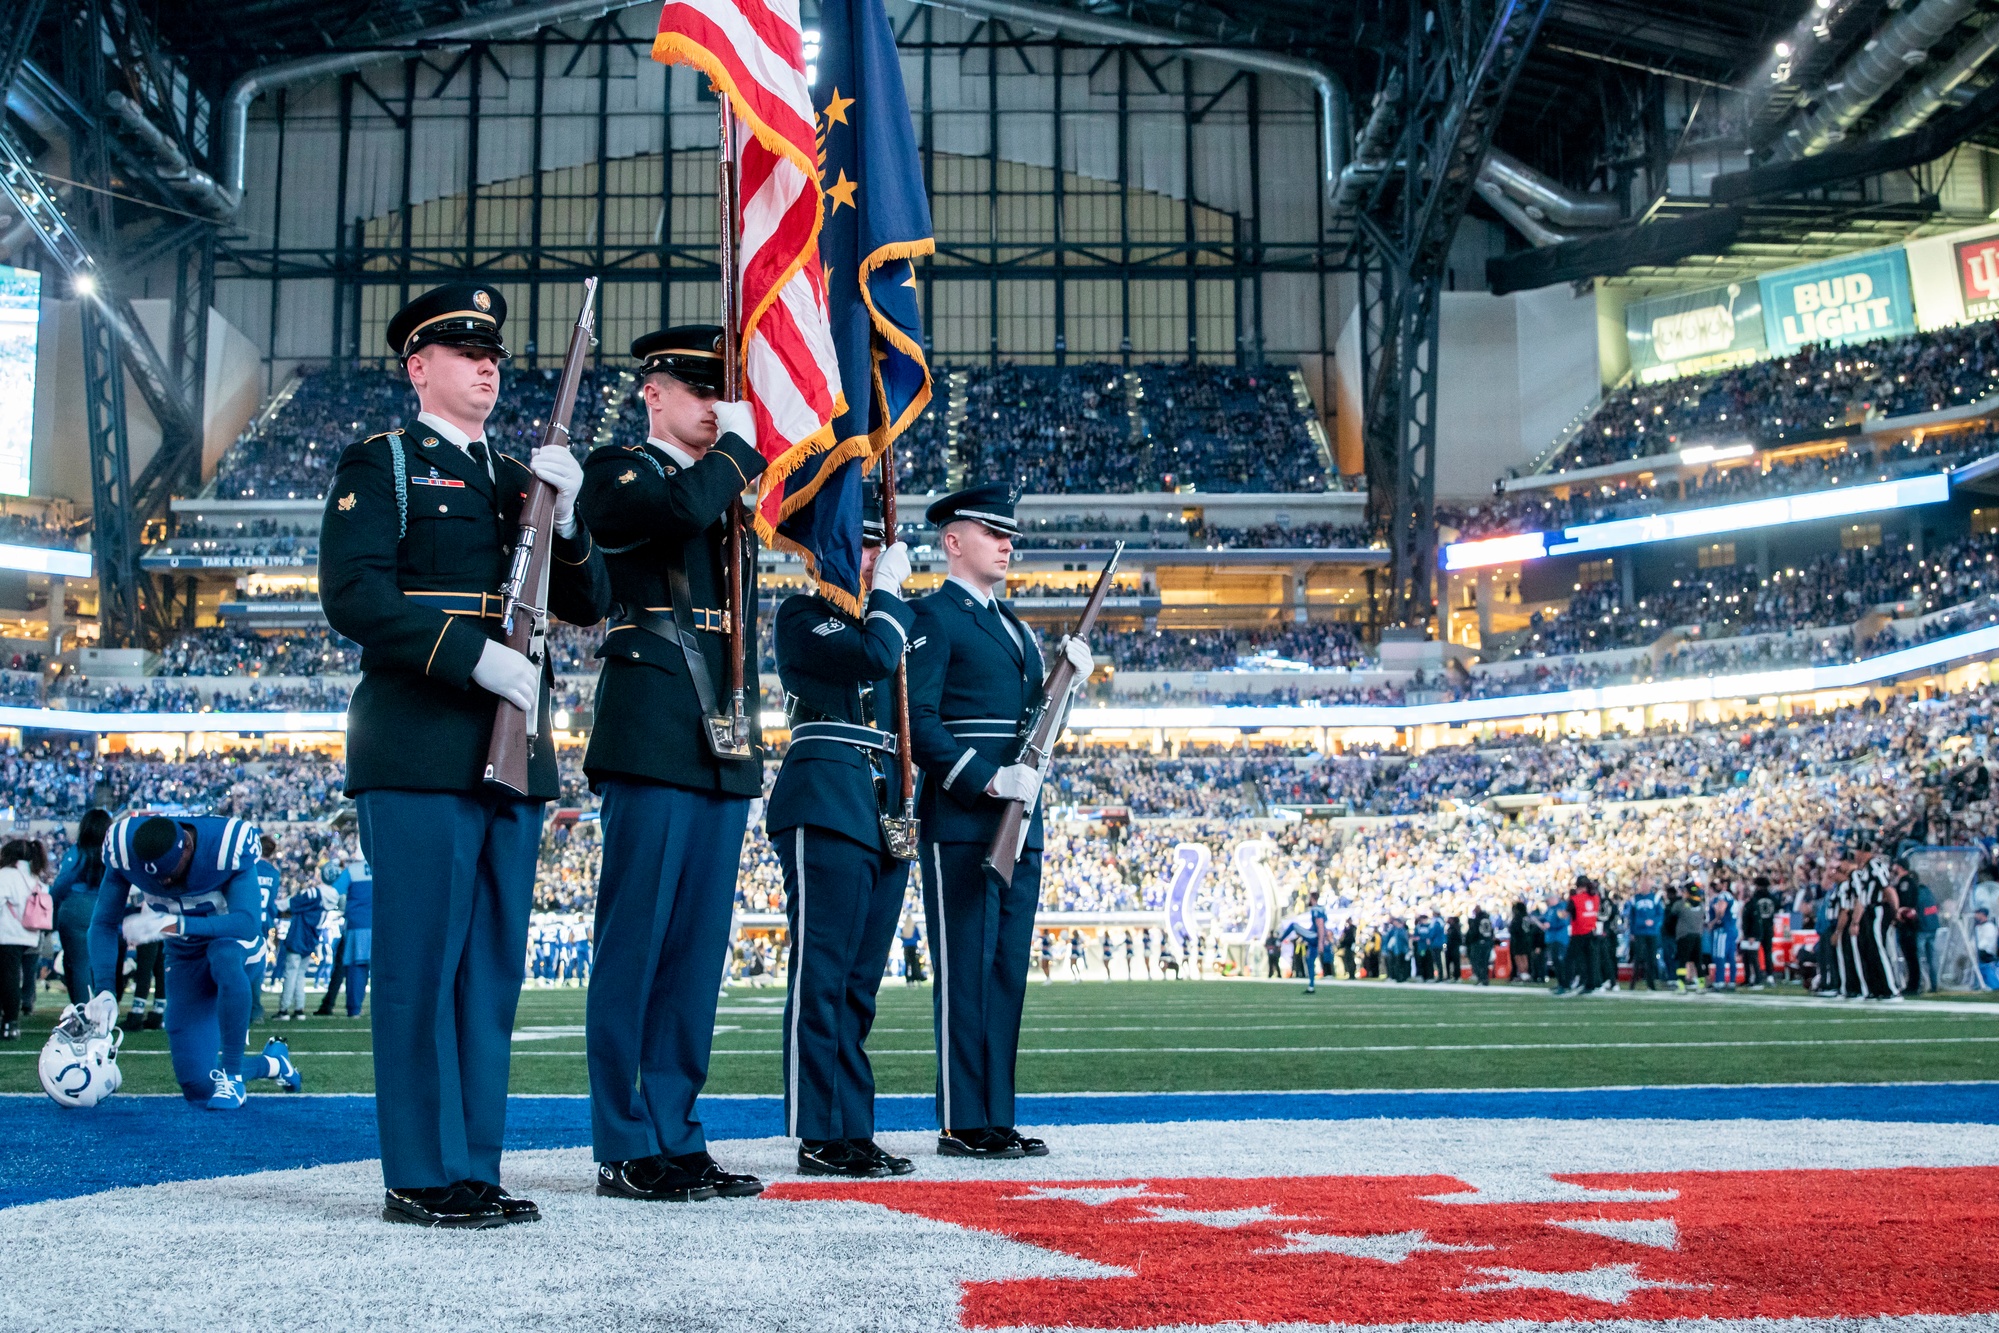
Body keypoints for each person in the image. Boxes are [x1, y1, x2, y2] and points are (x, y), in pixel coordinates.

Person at [318, 282, 610, 1228]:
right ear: (419, 367)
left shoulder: (522, 477)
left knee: (490, 969)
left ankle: (474, 1163)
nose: (487, 364)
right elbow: (353, 596)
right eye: (462, 349)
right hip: (420, 739)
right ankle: (419, 1169)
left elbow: (585, 602)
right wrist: (471, 654)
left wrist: (563, 521)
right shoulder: (386, 464)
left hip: (513, 746)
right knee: (420, 963)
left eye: (493, 352)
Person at [577, 325, 765, 1205]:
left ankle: (678, 1133)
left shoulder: (723, 489)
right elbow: (676, 513)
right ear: (653, 392)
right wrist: (734, 447)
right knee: (637, 942)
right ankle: (623, 1138)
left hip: (720, 738)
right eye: (700, 391)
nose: (717, 408)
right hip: (652, 726)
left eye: (723, 395)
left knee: (695, 956)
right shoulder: (619, 470)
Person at [906, 479, 1093, 1161]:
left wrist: (1067, 684)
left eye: (1008, 532)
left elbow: (1032, 731)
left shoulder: (1015, 627)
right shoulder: (932, 616)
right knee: (965, 970)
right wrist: (983, 777)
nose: (1006, 542)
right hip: (962, 817)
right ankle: (962, 1119)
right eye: (991, 531)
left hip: (1021, 821)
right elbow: (919, 723)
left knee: (1006, 972)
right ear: (953, 540)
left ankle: (995, 1115)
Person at [765, 484, 917, 1180]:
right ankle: (817, 1129)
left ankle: (851, 1126)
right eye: (853, 544)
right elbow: (874, 654)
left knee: (859, 980)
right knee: (821, 974)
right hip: (825, 790)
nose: (865, 556)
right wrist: (886, 594)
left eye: (873, 546)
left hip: (882, 801)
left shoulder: (889, 619)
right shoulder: (801, 613)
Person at [87, 816, 301, 1105]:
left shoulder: (226, 843)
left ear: (187, 847)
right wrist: (104, 989)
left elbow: (247, 923)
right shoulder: (123, 847)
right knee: (198, 1085)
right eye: (153, 876)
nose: (162, 881)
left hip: (236, 945)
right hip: (184, 955)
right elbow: (102, 923)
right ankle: (274, 1064)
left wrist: (177, 925)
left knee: (223, 956)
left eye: (168, 872)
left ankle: (234, 1078)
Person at [50, 809, 111, 1007]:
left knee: (77, 966)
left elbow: (61, 884)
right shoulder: (112, 854)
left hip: (75, 909)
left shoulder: (76, 852)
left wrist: (52, 908)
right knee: (99, 966)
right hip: (103, 909)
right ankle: (102, 1012)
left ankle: (83, 1015)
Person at [0, 839, 42, 1040]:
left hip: (7, 934)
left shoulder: (6, 875)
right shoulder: (33, 876)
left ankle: (10, 1023)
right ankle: (10, 1023)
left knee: (8, 979)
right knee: (13, 977)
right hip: (28, 935)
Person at [323, 858, 373, 1018]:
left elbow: (334, 893)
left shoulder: (353, 870)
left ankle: (354, 1009)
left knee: (356, 968)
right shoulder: (387, 865)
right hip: (384, 927)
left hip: (357, 925)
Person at [244, 835, 282, 1023]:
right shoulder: (274, 873)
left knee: (238, 966)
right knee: (257, 967)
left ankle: (239, 1009)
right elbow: (272, 903)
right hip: (263, 923)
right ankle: (255, 1009)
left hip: (244, 921)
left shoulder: (248, 868)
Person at [1627, 876, 1664, 991]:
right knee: (1638, 958)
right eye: (1642, 885)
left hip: (1652, 933)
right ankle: (1633, 983)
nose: (1644, 887)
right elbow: (1631, 917)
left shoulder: (1655, 898)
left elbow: (1660, 915)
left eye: (1646, 885)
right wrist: (1633, 931)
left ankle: (1650, 984)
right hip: (1639, 932)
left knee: (1651, 959)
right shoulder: (1635, 899)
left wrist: (1653, 922)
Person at [1708, 879, 1740, 992]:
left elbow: (1721, 911)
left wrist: (1713, 922)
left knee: (1719, 956)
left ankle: (1720, 981)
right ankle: (1732, 981)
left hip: (1723, 930)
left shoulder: (1723, 896)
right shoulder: (1732, 897)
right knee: (1731, 957)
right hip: (1732, 928)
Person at [1467, 906, 1495, 984]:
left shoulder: (1478, 920)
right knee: (1485, 962)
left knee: (1477, 961)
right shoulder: (1487, 919)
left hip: (1479, 942)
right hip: (1488, 942)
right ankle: (1485, 979)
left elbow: (1475, 932)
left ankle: (1481, 978)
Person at [900, 917, 925, 985]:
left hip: (906, 947)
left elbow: (901, 937)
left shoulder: (903, 928)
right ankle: (916, 978)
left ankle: (908, 980)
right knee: (914, 964)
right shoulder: (914, 928)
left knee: (907, 964)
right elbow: (918, 937)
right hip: (913, 947)